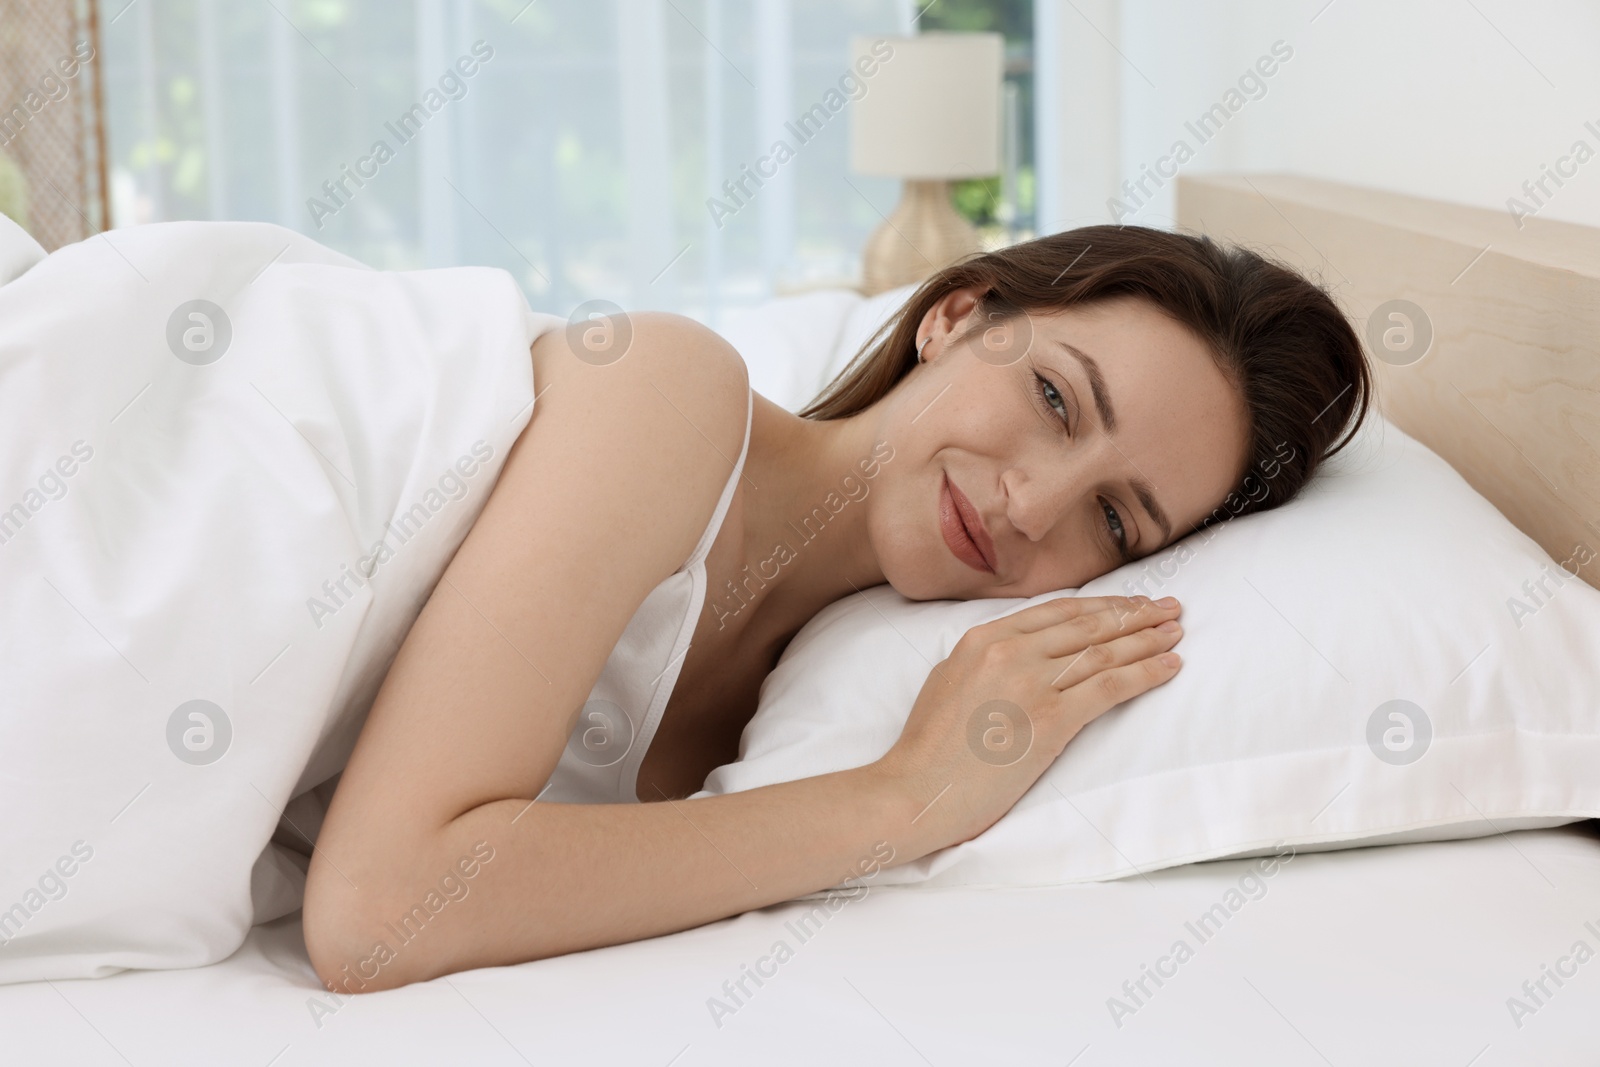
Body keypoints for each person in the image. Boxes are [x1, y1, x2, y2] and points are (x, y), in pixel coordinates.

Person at [302, 224, 1372, 993]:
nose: (1032, 504)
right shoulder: (670, 394)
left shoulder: (788, 713)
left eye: (1114, 522)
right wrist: (901, 798)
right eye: (1053, 397)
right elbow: (380, 908)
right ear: (955, 317)